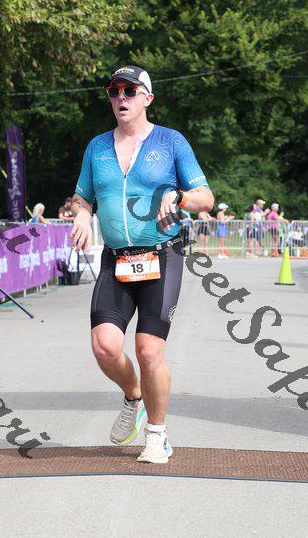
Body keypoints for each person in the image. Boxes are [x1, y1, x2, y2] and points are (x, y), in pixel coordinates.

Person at [69, 64, 214, 464]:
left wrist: (179, 198)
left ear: (147, 98)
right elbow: (81, 197)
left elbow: (206, 197)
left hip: (161, 256)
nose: (121, 97)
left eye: (129, 91)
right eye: (114, 91)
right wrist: (81, 214)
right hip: (116, 260)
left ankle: (157, 434)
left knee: (149, 351)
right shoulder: (96, 147)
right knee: (104, 347)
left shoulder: (171, 142)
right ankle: (133, 395)